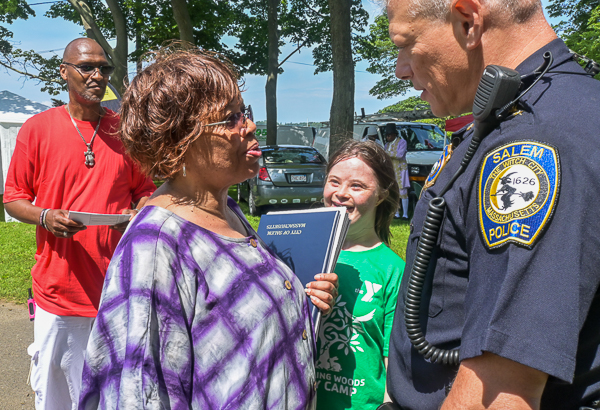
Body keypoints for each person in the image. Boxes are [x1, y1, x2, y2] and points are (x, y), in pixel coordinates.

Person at [78, 46, 338, 410]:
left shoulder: (228, 211)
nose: (249, 126)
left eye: (244, 112)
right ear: (180, 141)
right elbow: (138, 393)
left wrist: (299, 303)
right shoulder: (155, 246)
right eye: (231, 118)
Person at [385, 0, 600, 409]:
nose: (401, 68)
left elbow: (501, 393)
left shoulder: (534, 141)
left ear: (467, 22)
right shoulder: (559, 109)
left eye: (405, 44)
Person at [2, 38, 156, 410]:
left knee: (114, 393)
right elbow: (13, 198)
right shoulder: (37, 129)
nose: (97, 75)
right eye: (87, 67)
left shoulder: (124, 131)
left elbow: (146, 191)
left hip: (118, 286)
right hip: (59, 289)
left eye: (104, 68)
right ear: (64, 72)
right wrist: (44, 216)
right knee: (56, 395)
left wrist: (137, 214)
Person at [315, 140, 405, 410]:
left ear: (381, 195)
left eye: (357, 186)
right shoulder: (301, 249)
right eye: (334, 181)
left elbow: (394, 361)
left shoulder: (393, 269)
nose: (341, 194)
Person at [383, 123, 409, 219]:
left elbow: (400, 155)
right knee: (394, 191)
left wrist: (387, 153)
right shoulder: (387, 145)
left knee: (403, 191)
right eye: (387, 135)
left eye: (389, 135)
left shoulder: (402, 142)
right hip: (391, 169)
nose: (388, 137)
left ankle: (405, 214)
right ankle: (396, 212)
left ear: (394, 134)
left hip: (401, 170)